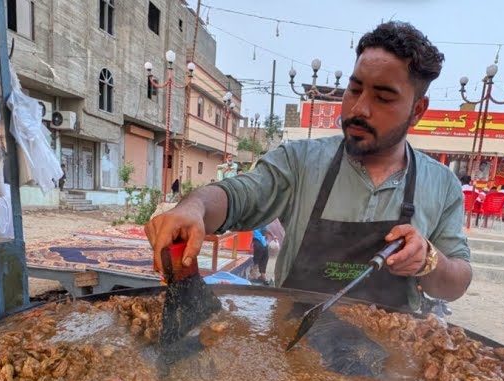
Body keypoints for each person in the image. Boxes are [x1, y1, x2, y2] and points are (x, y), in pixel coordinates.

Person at [145, 21, 471, 313]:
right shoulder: (300, 162)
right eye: (355, 89)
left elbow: (455, 283)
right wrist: (195, 206)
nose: (359, 108)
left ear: (418, 110)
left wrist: (429, 260)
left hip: (390, 366)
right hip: (294, 348)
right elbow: (238, 196)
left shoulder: (441, 184)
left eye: (383, 98)